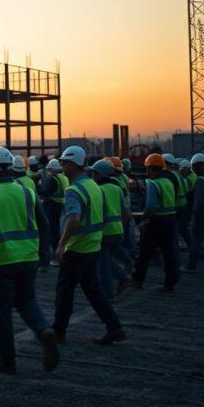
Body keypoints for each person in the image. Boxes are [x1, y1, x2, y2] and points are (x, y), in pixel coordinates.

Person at [0, 147, 59, 374]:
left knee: (1, 311)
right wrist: (43, 255)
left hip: (1, 260)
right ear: (11, 168)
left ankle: (7, 360)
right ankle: (43, 330)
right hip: (28, 257)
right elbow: (44, 224)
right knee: (27, 301)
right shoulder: (28, 193)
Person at [51, 146, 125, 344]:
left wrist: (61, 245)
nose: (62, 167)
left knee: (64, 290)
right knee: (93, 290)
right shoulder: (94, 186)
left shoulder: (74, 190)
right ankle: (114, 327)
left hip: (77, 248)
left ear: (74, 165)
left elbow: (74, 219)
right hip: (92, 246)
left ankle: (58, 331)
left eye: (64, 163)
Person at [132, 153, 179, 291]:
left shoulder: (153, 183)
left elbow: (150, 206)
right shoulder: (168, 182)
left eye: (147, 169)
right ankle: (170, 282)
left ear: (151, 169)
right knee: (169, 253)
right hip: (170, 219)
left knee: (145, 253)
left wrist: (144, 220)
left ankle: (138, 280)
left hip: (156, 221)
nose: (147, 172)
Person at [90, 160, 130, 301]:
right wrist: (122, 229)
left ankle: (108, 294)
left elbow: (98, 213)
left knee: (103, 265)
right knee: (106, 260)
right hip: (117, 231)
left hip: (104, 232)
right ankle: (124, 276)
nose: (92, 175)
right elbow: (126, 212)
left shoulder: (98, 190)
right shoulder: (116, 188)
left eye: (94, 173)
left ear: (99, 174)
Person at [41, 158, 69, 264]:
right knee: (60, 230)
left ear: (52, 169)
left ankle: (56, 256)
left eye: (49, 170)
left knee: (53, 231)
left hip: (53, 206)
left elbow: (47, 192)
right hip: (63, 205)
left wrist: (40, 190)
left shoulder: (53, 179)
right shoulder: (63, 177)